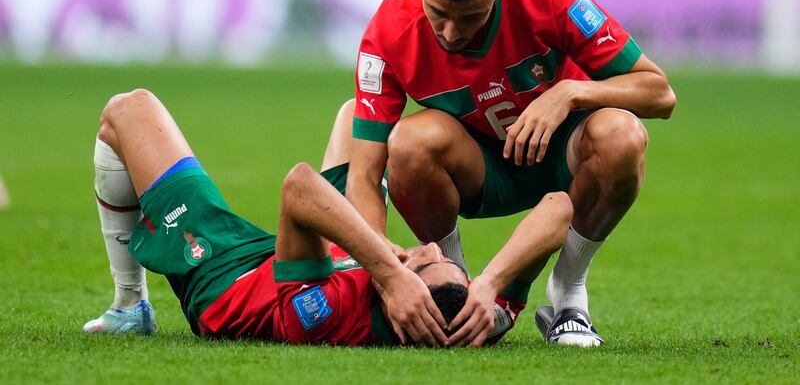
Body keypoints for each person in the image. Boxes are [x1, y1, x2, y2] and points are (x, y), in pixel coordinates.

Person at [348, 0, 677, 347]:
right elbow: (363, 176)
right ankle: (458, 295)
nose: (451, 33)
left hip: (568, 159)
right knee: (409, 144)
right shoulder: (389, 30)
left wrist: (572, 91)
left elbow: (659, 93)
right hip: (481, 172)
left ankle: (568, 296)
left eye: (470, 17)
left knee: (623, 135)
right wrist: (386, 275)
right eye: (438, 13)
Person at [83, 90, 573, 347]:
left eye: (419, 268)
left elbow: (298, 187)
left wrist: (384, 268)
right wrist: (488, 284)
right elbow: (559, 208)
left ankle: (131, 308)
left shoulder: (326, 312)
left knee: (128, 110)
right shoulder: (472, 322)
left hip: (228, 277)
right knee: (359, 114)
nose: (425, 249)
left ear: (403, 311)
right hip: (342, 261)